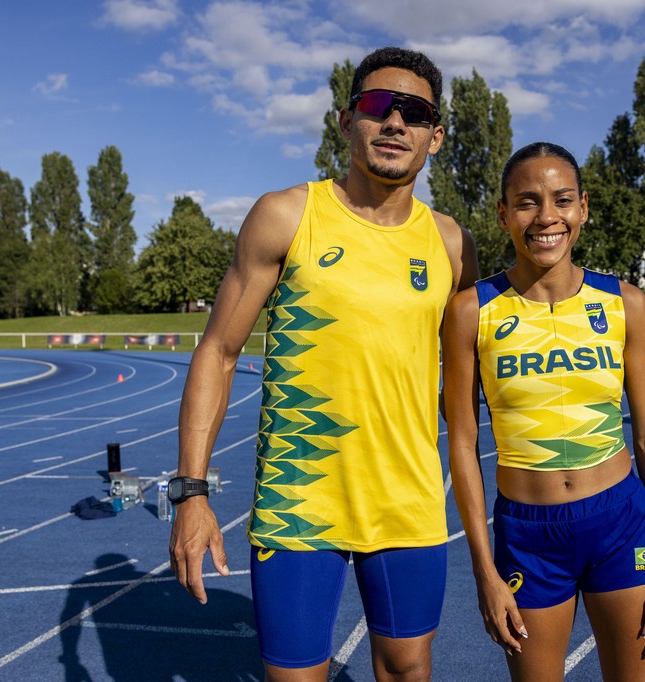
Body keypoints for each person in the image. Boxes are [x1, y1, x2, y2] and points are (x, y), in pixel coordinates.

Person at [169, 46, 479, 682]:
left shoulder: (451, 243)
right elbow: (218, 351)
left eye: (415, 112)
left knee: (407, 668)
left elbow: (469, 379)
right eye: (376, 105)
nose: (395, 122)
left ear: (435, 136)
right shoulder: (286, 215)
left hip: (408, 499)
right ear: (345, 120)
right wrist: (191, 492)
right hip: (299, 498)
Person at [442, 142, 645, 681]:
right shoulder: (471, 311)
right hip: (528, 534)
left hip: (620, 524)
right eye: (527, 202)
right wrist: (483, 570)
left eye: (562, 200)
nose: (547, 217)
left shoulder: (626, 303)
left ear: (583, 207)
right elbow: (462, 443)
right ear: (504, 213)